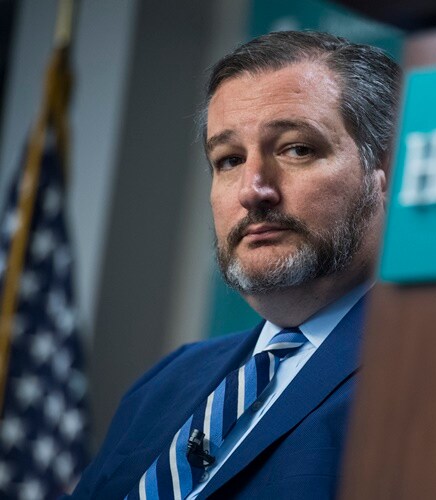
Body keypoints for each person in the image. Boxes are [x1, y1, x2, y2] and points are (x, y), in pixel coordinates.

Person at [68, 30, 401, 499]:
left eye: (296, 149)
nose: (252, 189)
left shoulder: (424, 376)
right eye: (228, 160)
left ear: (383, 169)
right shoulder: (169, 381)